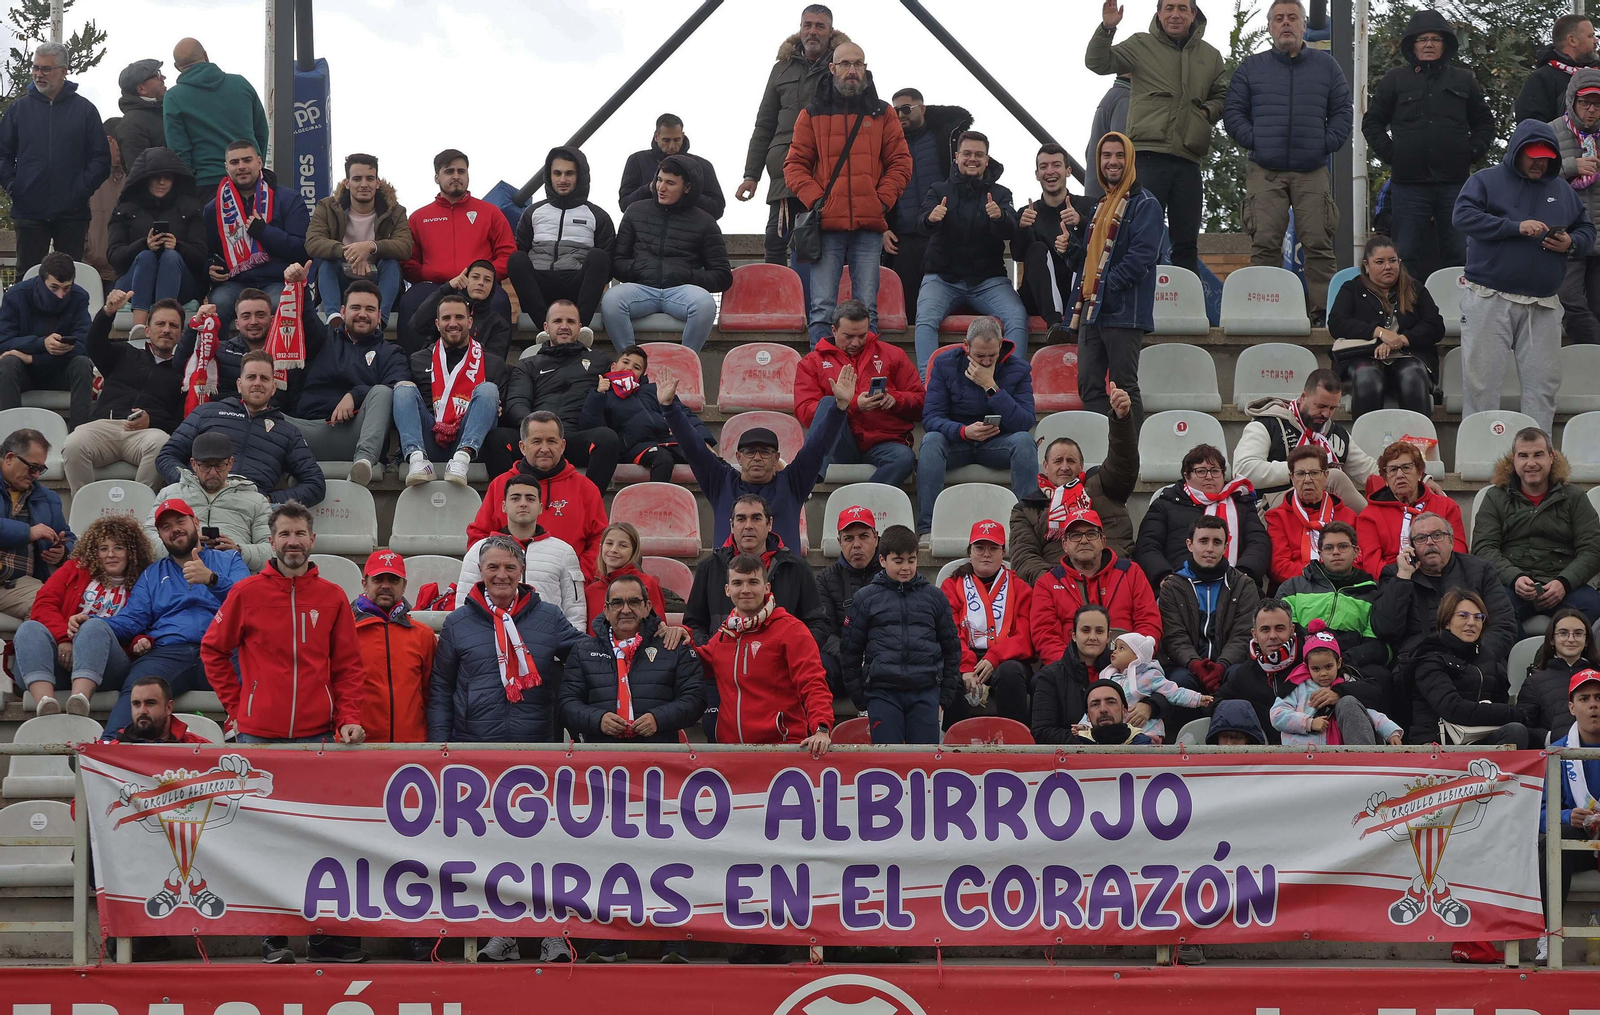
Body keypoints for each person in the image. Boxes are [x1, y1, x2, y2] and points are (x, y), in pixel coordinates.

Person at [202, 501, 367, 965]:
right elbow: (214, 650)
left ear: (312, 541)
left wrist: (347, 717)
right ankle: (272, 936)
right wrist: (239, 708)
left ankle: (324, 936)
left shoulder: (334, 596)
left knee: (321, 841)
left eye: (300, 534)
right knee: (265, 842)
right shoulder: (246, 593)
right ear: (271, 541)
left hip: (319, 738)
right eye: (284, 534)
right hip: (260, 740)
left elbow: (349, 667)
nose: (292, 542)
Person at [428, 534, 583, 965]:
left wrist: (649, 630)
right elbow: (440, 689)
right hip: (476, 751)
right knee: (491, 850)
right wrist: (440, 748)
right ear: (480, 572)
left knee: (543, 847)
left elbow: (589, 656)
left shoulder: (550, 618)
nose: (501, 575)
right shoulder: (458, 623)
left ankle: (552, 933)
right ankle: (504, 933)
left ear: (522, 573)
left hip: (538, 751)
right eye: (492, 567)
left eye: (509, 568)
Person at [1455, 120, 1595, 432]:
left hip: (1543, 303)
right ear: (1516, 152)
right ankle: (1480, 455)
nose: (1539, 161)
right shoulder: (1485, 180)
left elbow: (1586, 228)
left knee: (1542, 389)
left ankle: (1539, 463)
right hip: (1489, 297)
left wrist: (1571, 242)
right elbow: (1462, 216)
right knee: (1481, 388)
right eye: (1532, 154)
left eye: (1546, 155)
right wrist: (1514, 226)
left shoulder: (1561, 189)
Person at [1223, 0, 1351, 321]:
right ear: (1269, 27)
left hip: (1312, 169)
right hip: (1265, 169)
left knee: (1319, 243)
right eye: (1278, 18)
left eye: (1292, 18)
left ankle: (1325, 315)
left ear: (1304, 25)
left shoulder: (1327, 66)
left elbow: (1342, 112)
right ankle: (1265, 312)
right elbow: (1233, 113)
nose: (1285, 24)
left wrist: (1325, 143)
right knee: (1265, 244)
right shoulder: (1251, 67)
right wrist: (1258, 141)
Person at [1086, 0, 1227, 279]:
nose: (1176, 14)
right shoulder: (1141, 44)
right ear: (1159, 13)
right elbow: (1097, 62)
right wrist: (1107, 28)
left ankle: (1187, 309)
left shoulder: (1210, 56)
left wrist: (1205, 112)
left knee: (1186, 242)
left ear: (1193, 14)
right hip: (1147, 156)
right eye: (1169, 8)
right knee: (1140, 237)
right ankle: (1139, 308)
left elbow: (1223, 96)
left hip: (1188, 159)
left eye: (1182, 8)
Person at [784, 41, 911, 342]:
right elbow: (794, 166)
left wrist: (880, 202)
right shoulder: (811, 113)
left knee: (868, 309)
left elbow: (901, 162)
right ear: (832, 68)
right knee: (822, 309)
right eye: (845, 64)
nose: (852, 70)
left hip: (869, 225)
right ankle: (821, 378)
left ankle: (866, 378)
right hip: (827, 225)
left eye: (858, 64)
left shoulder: (884, 113)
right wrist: (819, 202)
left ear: (865, 69)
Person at [1362, 11, 1493, 282]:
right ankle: (1407, 316)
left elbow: (1484, 123)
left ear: (1446, 44)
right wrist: (1392, 155)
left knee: (1461, 253)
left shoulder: (1463, 80)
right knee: (1405, 255)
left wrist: (1471, 153)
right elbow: (1372, 123)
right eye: (1422, 39)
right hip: (1409, 185)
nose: (1429, 44)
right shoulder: (1395, 80)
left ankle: (1461, 317)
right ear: (1412, 45)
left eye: (1435, 38)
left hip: (1455, 184)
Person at [96, 497, 245, 733]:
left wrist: (212, 579)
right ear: (161, 536)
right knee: (139, 688)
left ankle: (248, 739)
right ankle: (112, 747)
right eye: (166, 527)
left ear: (195, 522)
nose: (174, 530)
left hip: (223, 647)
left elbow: (248, 602)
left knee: (254, 667)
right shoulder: (152, 573)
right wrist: (95, 624)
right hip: (169, 651)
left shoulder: (229, 560)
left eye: (179, 521)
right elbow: (133, 619)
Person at [658, 368, 846, 554]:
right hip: (730, 580)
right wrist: (669, 408)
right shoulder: (721, 483)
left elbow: (817, 447)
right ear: (738, 457)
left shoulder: (792, 483)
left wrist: (839, 409)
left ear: (777, 458)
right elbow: (694, 448)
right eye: (749, 452)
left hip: (782, 580)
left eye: (765, 452)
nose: (757, 458)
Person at [1062, 131, 1161, 420]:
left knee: (1124, 388)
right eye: (1106, 155)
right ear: (1098, 161)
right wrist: (1070, 249)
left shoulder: (1145, 204)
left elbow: (1143, 256)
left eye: (1119, 155)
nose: (1112, 161)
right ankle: (1105, 451)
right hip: (1092, 311)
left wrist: (1108, 286)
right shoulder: (1099, 205)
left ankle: (1129, 460)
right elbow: (1090, 263)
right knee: (1089, 387)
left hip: (1123, 311)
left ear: (1129, 160)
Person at [693, 551, 834, 754]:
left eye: (753, 582)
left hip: (781, 750)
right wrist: (678, 636)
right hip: (731, 752)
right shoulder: (725, 634)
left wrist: (821, 728)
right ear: (727, 589)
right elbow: (697, 664)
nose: (745, 590)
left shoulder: (791, 629)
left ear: (767, 587)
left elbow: (813, 683)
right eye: (738, 583)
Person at [739, 5, 848, 266]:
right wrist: (751, 175)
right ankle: (780, 305)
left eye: (819, 26)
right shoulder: (781, 70)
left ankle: (823, 306)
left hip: (829, 171)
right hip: (784, 171)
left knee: (829, 244)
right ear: (800, 29)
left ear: (830, 31)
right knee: (776, 243)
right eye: (807, 25)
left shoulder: (845, 66)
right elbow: (764, 124)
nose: (812, 31)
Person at [911, 131, 1027, 372]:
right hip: (942, 278)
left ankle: (1013, 379)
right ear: (956, 157)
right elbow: (920, 224)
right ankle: (928, 383)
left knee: (1017, 317)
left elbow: (1011, 228)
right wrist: (931, 219)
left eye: (979, 155)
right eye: (967, 154)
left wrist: (1000, 217)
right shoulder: (938, 189)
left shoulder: (1001, 193)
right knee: (924, 320)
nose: (972, 159)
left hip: (988, 280)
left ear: (987, 160)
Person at [16, 514, 154, 716]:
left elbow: (145, 622)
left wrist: (141, 641)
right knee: (29, 628)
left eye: (118, 548)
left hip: (107, 667)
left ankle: (79, 701)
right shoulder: (75, 569)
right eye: (103, 548)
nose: (110, 555)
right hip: (59, 663)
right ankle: (45, 704)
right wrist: (64, 638)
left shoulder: (145, 581)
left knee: (94, 625)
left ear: (133, 552)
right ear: (94, 551)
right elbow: (43, 604)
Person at [284, 270, 408, 487]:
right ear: (342, 311)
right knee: (259, 413)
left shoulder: (392, 353)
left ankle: (364, 463)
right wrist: (300, 285)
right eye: (355, 308)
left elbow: (397, 391)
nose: (362, 314)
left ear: (380, 315)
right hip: (307, 431)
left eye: (370, 309)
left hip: (355, 435)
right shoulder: (322, 338)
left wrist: (355, 394)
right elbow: (304, 317)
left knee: (384, 392)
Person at [157, 350, 326, 506]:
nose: (257, 383)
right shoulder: (206, 412)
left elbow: (316, 485)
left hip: (250, 510)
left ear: (274, 387)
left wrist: (269, 499)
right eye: (251, 377)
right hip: (198, 499)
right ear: (239, 384)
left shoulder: (288, 432)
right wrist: (192, 484)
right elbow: (167, 456)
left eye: (264, 378)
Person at [601, 156, 733, 354]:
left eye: (670, 183)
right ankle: (629, 361)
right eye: (659, 180)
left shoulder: (705, 222)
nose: (661, 187)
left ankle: (686, 362)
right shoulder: (635, 211)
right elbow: (617, 262)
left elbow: (723, 275)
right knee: (611, 300)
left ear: (687, 187)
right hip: (641, 289)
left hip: (681, 292)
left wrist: (687, 275)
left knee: (705, 304)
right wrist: (640, 268)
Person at [839, 525, 959, 743]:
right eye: (898, 561)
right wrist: (862, 699)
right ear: (883, 560)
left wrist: (944, 699)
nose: (906, 567)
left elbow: (951, 649)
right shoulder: (865, 599)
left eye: (911, 560)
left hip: (925, 693)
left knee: (924, 763)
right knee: (887, 762)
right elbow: (850, 652)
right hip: (882, 694)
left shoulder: (935, 598)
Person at [917, 317, 1035, 535]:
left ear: (1001, 345)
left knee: (1025, 442)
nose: (986, 362)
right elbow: (931, 418)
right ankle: (927, 529)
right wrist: (963, 431)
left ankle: (1027, 528)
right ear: (966, 346)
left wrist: (991, 387)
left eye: (992, 355)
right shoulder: (945, 364)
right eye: (979, 356)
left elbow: (1025, 422)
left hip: (996, 444)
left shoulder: (1018, 369)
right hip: (957, 443)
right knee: (931, 441)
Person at [0, 41, 110, 274]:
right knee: (28, 277)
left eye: (46, 69)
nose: (39, 74)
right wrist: (13, 185)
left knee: (69, 277)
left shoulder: (85, 110)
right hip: (28, 209)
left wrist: (80, 188)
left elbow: (101, 159)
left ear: (64, 71)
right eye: (35, 67)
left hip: (72, 212)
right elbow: (3, 154)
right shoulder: (18, 109)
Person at [1472, 427, 1600, 626]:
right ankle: (1524, 658)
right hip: (1511, 584)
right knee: (1494, 612)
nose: (1531, 463)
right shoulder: (1495, 497)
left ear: (1551, 457)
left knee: (1591, 606)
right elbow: (1483, 548)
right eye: (1523, 456)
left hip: (1564, 582)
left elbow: (1593, 549)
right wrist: (1515, 578)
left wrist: (1564, 582)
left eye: (1538, 455)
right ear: (1513, 460)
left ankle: (1562, 657)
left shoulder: (1574, 497)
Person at [1012, 382, 1139, 580]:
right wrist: (1057, 584)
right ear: (1045, 466)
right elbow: (1024, 557)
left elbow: (1123, 462)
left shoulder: (1103, 485)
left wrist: (1121, 420)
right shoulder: (1026, 509)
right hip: (1058, 586)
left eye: (1071, 461)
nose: (1064, 467)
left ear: (1082, 466)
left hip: (1113, 579)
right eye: (1057, 461)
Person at [562, 571, 705, 744]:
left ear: (647, 606)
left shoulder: (673, 646)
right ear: (606, 610)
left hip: (660, 758)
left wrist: (658, 719)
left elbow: (696, 698)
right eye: (617, 603)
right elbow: (566, 704)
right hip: (599, 759)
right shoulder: (582, 651)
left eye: (634, 602)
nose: (626, 609)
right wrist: (598, 719)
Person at [63, 290, 184, 492]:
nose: (166, 330)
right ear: (147, 330)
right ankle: (86, 511)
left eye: (173, 326)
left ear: (181, 333)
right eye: (160, 324)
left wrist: (151, 421)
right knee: (73, 443)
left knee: (162, 443)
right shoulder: (124, 352)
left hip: (146, 435)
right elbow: (93, 344)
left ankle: (140, 511)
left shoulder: (183, 374)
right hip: (106, 426)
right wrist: (108, 312)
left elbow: (180, 422)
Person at [794, 299, 922, 486]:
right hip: (840, 444)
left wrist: (896, 399)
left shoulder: (893, 355)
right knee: (829, 402)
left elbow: (922, 402)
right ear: (834, 330)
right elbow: (804, 411)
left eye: (862, 335)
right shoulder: (811, 362)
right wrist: (849, 405)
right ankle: (808, 481)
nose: (856, 342)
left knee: (904, 458)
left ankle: (862, 503)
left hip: (884, 442)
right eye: (849, 336)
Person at [1371, 511, 1518, 673]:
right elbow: (1385, 630)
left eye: (1437, 535)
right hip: (1419, 664)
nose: (1430, 542)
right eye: (1421, 538)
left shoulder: (1480, 570)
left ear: (1451, 540)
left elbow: (1504, 625)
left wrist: (1473, 655)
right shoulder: (1396, 574)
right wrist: (1403, 578)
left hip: (1474, 661)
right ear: (1411, 546)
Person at [398, 149, 515, 353]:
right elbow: (409, 262)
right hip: (436, 286)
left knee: (500, 300)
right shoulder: (419, 217)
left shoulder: (490, 213)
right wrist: (432, 273)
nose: (456, 176)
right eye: (449, 171)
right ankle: (412, 370)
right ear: (437, 177)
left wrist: (481, 276)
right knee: (410, 301)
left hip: (476, 286)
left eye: (461, 171)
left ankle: (495, 372)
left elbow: (508, 253)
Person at [469, 411, 608, 579]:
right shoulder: (500, 485)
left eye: (551, 441)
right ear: (522, 447)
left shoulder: (586, 488)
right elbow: (479, 537)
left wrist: (576, 575)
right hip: (509, 588)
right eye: (536, 441)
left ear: (562, 446)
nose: (544, 449)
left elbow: (600, 540)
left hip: (565, 587)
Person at [393, 290, 510, 487]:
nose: (453, 323)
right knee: (402, 389)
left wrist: (495, 407)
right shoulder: (418, 359)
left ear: (470, 322)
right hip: (428, 438)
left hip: (471, 440)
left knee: (488, 390)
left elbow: (503, 412)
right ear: (438, 324)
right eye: (446, 318)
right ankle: (416, 459)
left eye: (459, 317)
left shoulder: (493, 363)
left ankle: (462, 458)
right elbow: (405, 407)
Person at [505, 300, 621, 491]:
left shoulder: (599, 360)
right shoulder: (528, 364)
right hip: (535, 438)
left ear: (579, 327)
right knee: (497, 439)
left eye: (571, 321)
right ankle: (511, 502)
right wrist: (536, 431)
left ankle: (587, 506)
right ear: (546, 327)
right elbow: (517, 402)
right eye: (558, 321)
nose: (564, 326)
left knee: (607, 439)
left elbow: (626, 381)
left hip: (576, 438)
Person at [1327, 234, 1444, 417]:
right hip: (1363, 356)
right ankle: (1363, 443)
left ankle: (1418, 442)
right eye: (1379, 262)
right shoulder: (1351, 288)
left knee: (1412, 376)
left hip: (1409, 355)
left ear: (1399, 262)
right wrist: (1379, 332)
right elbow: (1337, 323)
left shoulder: (1415, 288)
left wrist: (1404, 339)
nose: (1387, 266)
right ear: (1366, 265)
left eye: (1392, 261)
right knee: (1368, 377)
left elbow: (1435, 325)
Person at [684, 494, 823, 646]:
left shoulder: (797, 568)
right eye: (741, 519)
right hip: (721, 663)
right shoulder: (709, 567)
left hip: (782, 664)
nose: (748, 526)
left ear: (769, 524)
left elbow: (817, 624)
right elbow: (693, 624)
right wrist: (714, 651)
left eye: (756, 518)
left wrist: (791, 651)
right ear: (731, 525)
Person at [1157, 515, 1260, 717]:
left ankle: (1233, 738)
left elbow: (1243, 635)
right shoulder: (1173, 586)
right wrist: (1196, 665)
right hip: (1186, 666)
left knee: (1239, 677)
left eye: (1217, 542)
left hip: (1230, 664)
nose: (1210, 549)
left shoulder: (1243, 585)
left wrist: (1222, 666)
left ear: (1225, 547)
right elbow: (1174, 636)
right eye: (1203, 541)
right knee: (1180, 681)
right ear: (1190, 544)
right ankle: (1183, 743)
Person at [200, 140, 309, 331]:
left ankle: (273, 361)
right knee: (216, 307)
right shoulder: (213, 208)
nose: (241, 167)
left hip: (277, 280)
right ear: (226, 167)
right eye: (234, 162)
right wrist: (208, 267)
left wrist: (264, 232)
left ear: (259, 162)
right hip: (235, 283)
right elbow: (205, 252)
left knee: (276, 306)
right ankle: (224, 359)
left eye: (247, 160)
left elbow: (302, 250)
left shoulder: (289, 199)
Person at [1400, 589, 1529, 747]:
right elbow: (1452, 708)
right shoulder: (1429, 657)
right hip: (1438, 744)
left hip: (1481, 739)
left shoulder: (1490, 660)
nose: (1471, 623)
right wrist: (1513, 713)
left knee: (1517, 731)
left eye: (1478, 617)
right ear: (1446, 622)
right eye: (1463, 616)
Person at [1031, 508, 1161, 666]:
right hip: (1071, 671)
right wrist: (1072, 668)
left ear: (1103, 541)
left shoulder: (1131, 572)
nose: (1084, 540)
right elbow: (1044, 635)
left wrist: (1130, 659)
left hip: (1126, 668)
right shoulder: (1048, 583)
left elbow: (1148, 622)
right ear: (1064, 544)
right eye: (1075, 535)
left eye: (1091, 534)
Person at [455, 475, 586, 631]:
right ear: (504, 506)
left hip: (546, 648)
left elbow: (575, 612)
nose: (523, 504)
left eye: (530, 499)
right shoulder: (479, 550)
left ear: (540, 507)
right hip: (491, 646)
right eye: (515, 498)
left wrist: (570, 652)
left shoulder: (564, 552)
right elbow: (464, 607)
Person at [885, 89, 971, 324]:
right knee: (908, 305)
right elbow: (875, 187)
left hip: (942, 234)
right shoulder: (887, 144)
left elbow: (982, 169)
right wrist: (881, 226)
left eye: (905, 109)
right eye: (895, 111)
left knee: (946, 304)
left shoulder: (947, 138)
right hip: (903, 237)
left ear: (921, 109)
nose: (900, 115)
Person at [506, 146, 616, 331]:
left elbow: (607, 266)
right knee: (516, 259)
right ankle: (545, 330)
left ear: (579, 177)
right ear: (549, 176)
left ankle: (579, 329)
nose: (562, 179)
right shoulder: (533, 213)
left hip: (577, 285)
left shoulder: (598, 215)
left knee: (599, 256)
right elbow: (520, 254)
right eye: (557, 173)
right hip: (540, 286)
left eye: (569, 173)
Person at [1234, 368, 1379, 508]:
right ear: (1303, 398)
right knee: (1334, 477)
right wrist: (1303, 471)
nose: (1326, 414)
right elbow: (1243, 470)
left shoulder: (1336, 434)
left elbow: (1368, 470)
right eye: (1321, 406)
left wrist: (1397, 467)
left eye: (1332, 408)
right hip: (1272, 504)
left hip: (1324, 508)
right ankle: (1370, 523)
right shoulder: (1268, 424)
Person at [940, 520, 1035, 726]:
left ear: (1003, 553)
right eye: (979, 547)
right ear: (969, 551)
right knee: (950, 677)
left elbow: (1024, 636)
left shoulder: (1020, 588)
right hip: (964, 656)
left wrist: (995, 657)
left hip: (1006, 659)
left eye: (993, 548)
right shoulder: (951, 586)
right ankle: (955, 744)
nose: (986, 554)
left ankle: (1016, 740)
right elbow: (949, 631)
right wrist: (965, 666)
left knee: (1010, 674)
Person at [577, 343, 714, 485]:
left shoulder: (653, 390)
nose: (629, 368)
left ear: (641, 375)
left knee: (710, 458)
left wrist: (703, 440)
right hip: (632, 447)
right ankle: (655, 506)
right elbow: (592, 427)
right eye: (625, 362)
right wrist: (598, 395)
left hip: (665, 441)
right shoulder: (603, 393)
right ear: (613, 367)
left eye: (637, 367)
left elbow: (685, 415)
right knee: (664, 460)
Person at [1276, 520, 1389, 690]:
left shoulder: (1372, 593)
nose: (1336, 552)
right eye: (1329, 548)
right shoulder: (1293, 587)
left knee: (1383, 677)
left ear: (1356, 552)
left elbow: (1377, 644)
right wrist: (1314, 652)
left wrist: (1339, 658)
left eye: (1343, 546)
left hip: (1348, 663)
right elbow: (1281, 629)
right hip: (1300, 659)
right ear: (1320, 553)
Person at [1135, 443, 1270, 584]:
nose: (1209, 476)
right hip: (1178, 586)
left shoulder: (1241, 503)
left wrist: (1245, 574)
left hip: (1235, 587)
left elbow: (1259, 543)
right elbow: (1148, 545)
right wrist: (1165, 577)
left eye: (1215, 471)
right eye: (1201, 471)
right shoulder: (1165, 504)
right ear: (1187, 476)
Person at [305, 153, 412, 322]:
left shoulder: (395, 211)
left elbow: (405, 246)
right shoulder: (327, 207)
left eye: (370, 179)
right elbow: (312, 242)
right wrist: (350, 252)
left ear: (377, 183)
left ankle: (379, 319)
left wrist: (370, 247)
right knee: (327, 262)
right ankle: (334, 317)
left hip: (376, 277)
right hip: (342, 276)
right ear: (347, 183)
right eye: (357, 179)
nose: (364, 184)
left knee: (391, 264)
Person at [105, 147, 207, 323]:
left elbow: (201, 255)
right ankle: (140, 327)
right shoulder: (125, 210)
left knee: (170, 256)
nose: (162, 182)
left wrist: (178, 246)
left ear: (175, 179)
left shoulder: (190, 208)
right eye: (156, 177)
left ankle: (160, 323)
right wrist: (144, 244)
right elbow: (114, 256)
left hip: (180, 282)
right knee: (146, 256)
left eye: (167, 177)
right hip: (133, 282)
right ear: (145, 179)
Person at [1541, 666, 1600, 962]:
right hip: (1578, 840)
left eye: (1599, 697)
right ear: (1571, 707)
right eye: (1585, 698)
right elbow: (1536, 812)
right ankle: (1546, 935)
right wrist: (1565, 817)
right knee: (1552, 838)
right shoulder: (1556, 752)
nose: (1594, 704)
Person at [148, 431, 271, 571]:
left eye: (219, 465)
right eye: (205, 466)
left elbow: (273, 549)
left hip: (234, 572)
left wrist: (239, 551)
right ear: (194, 464)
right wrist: (184, 545)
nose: (213, 473)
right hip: (180, 572)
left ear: (230, 463)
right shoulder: (169, 494)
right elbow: (147, 540)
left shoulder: (256, 500)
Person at [352, 550, 437, 746]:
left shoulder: (423, 635)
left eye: (393, 580)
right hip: (357, 747)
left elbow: (431, 693)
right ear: (364, 583)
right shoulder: (346, 633)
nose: (385, 586)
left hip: (411, 748)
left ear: (404, 585)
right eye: (378, 579)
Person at [0, 251, 94, 427]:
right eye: (54, 287)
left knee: (82, 363)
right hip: (24, 374)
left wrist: (33, 358)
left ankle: (80, 436)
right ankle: (9, 434)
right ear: (42, 280)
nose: (60, 295)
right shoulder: (16, 295)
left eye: (67, 288)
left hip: (60, 370)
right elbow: (3, 342)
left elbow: (85, 346)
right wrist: (41, 343)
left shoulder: (80, 297)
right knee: (8, 363)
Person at [1271, 620, 1402, 746]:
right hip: (1303, 758)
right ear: (1307, 666)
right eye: (1316, 669)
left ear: (1339, 663)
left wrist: (1391, 731)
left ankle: (1362, 762)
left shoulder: (1349, 683)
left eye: (1328, 667)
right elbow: (1277, 715)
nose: (1323, 673)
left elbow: (1366, 712)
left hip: (1340, 757)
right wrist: (1309, 723)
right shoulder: (1297, 686)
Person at [163, 39, 268, 191]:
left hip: (207, 184)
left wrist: (187, 187)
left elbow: (179, 149)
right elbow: (262, 132)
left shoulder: (174, 97)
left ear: (176, 67)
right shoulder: (241, 84)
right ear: (205, 55)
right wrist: (254, 165)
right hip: (251, 180)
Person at [1356, 440, 1465, 578]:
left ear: (1420, 473)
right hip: (1394, 583)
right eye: (1393, 470)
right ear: (1385, 479)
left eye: (1406, 467)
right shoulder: (1369, 516)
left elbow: (1459, 553)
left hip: (1440, 580)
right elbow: (1372, 566)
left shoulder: (1447, 506)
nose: (1400, 475)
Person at [1014, 144, 1089, 340]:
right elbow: (1017, 254)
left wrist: (1081, 222)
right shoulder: (1028, 212)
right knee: (1037, 249)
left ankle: (1075, 317)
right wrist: (1022, 228)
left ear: (1068, 171)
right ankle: (1055, 325)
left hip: (1080, 297)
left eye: (1056, 165)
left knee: (1086, 247)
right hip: (1040, 301)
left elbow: (1107, 241)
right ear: (1037, 174)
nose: (1050, 172)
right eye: (1044, 167)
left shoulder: (1088, 206)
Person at [0, 427, 72, 621]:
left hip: (16, 583)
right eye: (32, 467)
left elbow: (68, 537)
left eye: (41, 469)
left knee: (49, 606)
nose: (36, 475)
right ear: (9, 458)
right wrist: (27, 532)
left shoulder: (47, 498)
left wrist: (62, 553)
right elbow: (30, 533)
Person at [1264, 445, 1359, 585]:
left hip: (1341, 587)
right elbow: (1279, 567)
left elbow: (1358, 559)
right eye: (1301, 474)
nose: (1307, 480)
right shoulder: (1277, 517)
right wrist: (1318, 576)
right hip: (1296, 589)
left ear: (1325, 475)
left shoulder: (1347, 516)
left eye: (1314, 473)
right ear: (1292, 478)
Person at [1554, 69, 1600, 346]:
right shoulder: (1550, 132)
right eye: (1585, 103)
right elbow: (1528, 176)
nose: (1591, 110)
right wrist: (1570, 167)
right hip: (1567, 237)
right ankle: (1591, 358)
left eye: (1597, 103)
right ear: (1572, 101)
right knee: (1570, 303)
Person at [817, 505, 882, 697]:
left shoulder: (893, 573)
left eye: (863, 536)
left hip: (886, 660)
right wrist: (850, 656)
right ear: (839, 541)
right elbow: (824, 632)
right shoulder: (825, 579)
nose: (856, 544)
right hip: (842, 662)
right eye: (848, 538)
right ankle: (818, 726)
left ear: (876, 538)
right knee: (816, 666)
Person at [1101, 631, 1208, 743]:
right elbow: (1095, 704)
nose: (1115, 651)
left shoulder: (1150, 675)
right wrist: (1084, 724)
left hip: (1147, 732)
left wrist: (1198, 699)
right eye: (1115, 647)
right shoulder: (1109, 677)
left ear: (1137, 656)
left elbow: (1174, 692)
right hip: (1120, 735)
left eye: (1121, 648)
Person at [1032, 605, 1116, 744]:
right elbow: (1042, 731)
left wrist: (1150, 705)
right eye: (1085, 630)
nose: (1092, 637)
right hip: (1069, 759)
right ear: (1074, 635)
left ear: (1108, 637)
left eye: (1100, 631)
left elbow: (1159, 687)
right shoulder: (1050, 676)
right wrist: (1088, 740)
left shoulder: (1123, 669)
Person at [620, 113, 726, 219]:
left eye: (677, 140)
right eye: (666, 140)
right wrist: (649, 189)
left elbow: (717, 210)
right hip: (647, 230)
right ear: (656, 136)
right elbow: (624, 205)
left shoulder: (702, 166)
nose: (672, 146)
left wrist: (688, 193)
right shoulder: (637, 160)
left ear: (682, 136)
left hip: (688, 231)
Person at [405, 259, 512, 361]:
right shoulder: (447, 312)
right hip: (437, 371)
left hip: (476, 375)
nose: (481, 283)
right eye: (475, 277)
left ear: (492, 287)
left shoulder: (498, 324)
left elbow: (495, 363)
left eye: (487, 280)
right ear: (465, 280)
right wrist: (447, 288)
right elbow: (417, 324)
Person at [210, 287, 299, 410]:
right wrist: (195, 327)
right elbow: (181, 365)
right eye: (246, 316)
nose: (253, 322)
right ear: (237, 323)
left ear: (272, 320)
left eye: (260, 315)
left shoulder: (287, 359)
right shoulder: (220, 351)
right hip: (227, 422)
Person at [1519, 608, 1593, 745]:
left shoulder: (1597, 676)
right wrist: (1552, 738)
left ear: (1587, 640)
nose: (1571, 639)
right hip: (1554, 758)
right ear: (1552, 639)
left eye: (1578, 633)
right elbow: (1523, 728)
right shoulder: (1534, 682)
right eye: (1563, 633)